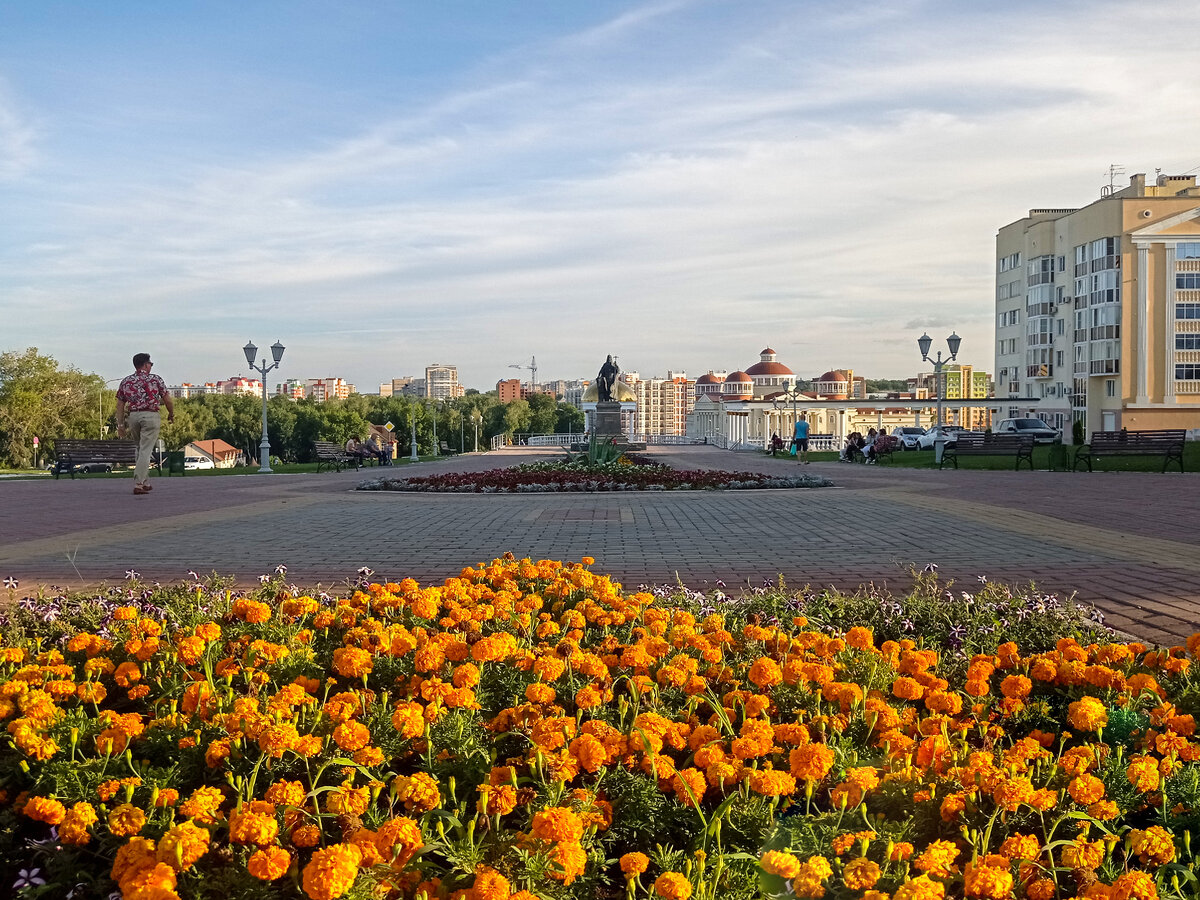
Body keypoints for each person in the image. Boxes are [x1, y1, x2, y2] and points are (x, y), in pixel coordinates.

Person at [115, 353, 174, 495]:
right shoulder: (155, 379)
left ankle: (146, 482)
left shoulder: (127, 381)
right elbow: (167, 400)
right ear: (146, 365)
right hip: (151, 415)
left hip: (134, 416)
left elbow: (120, 405)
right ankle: (139, 483)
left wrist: (120, 425)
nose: (151, 366)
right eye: (150, 364)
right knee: (146, 450)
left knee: (139, 447)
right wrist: (171, 414)